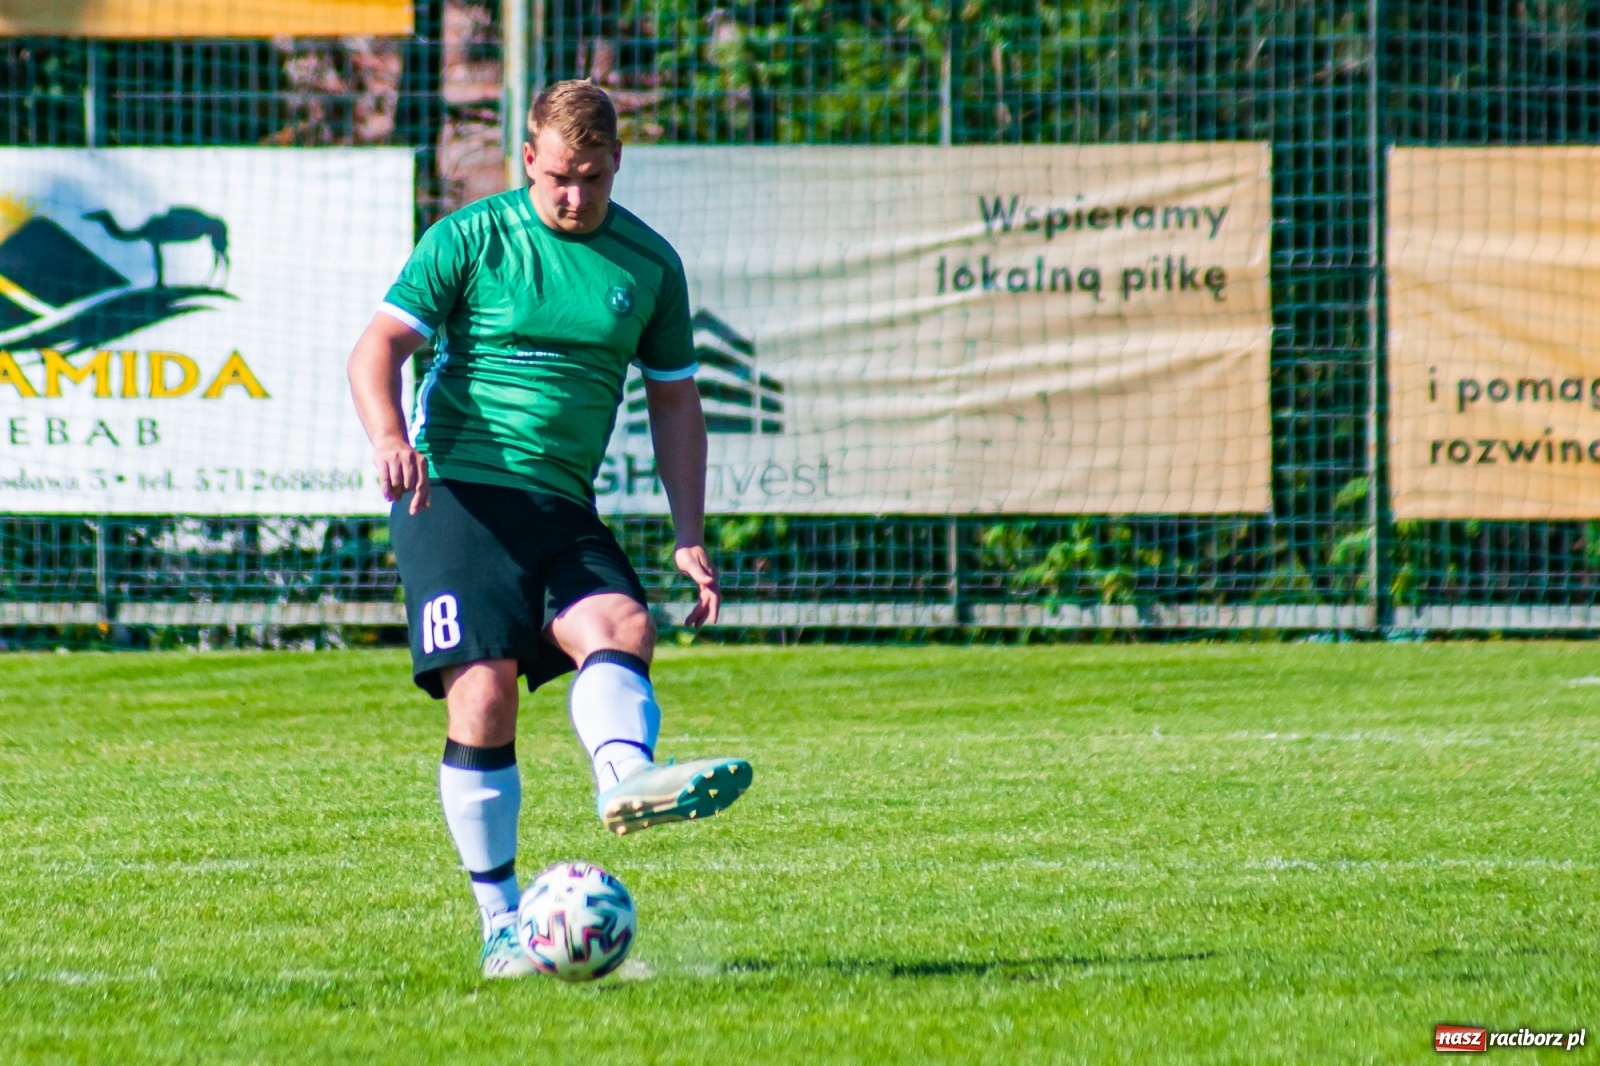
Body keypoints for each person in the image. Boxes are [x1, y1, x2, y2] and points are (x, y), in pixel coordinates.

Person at [346, 80, 752, 979]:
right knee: (482, 688)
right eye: (562, 177)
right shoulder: (471, 237)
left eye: (595, 180)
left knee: (622, 626)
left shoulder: (647, 263)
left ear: (618, 167)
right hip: (454, 492)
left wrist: (690, 529)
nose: (576, 197)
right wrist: (387, 437)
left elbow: (676, 397)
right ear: (528, 157)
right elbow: (376, 349)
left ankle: (624, 781)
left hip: (561, 502)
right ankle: (501, 925)